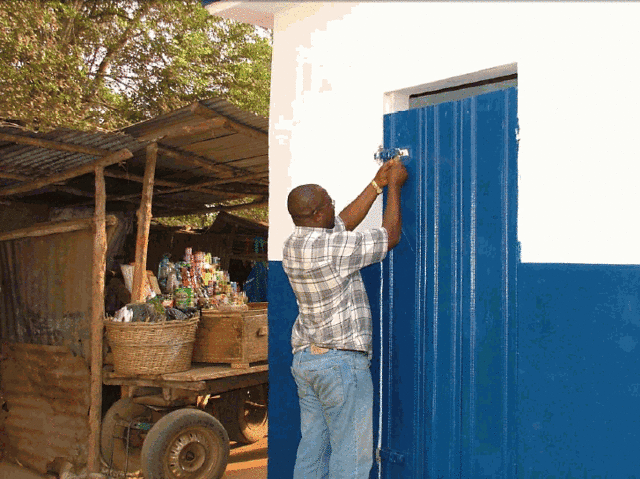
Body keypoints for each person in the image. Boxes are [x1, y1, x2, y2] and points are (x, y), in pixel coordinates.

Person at [283, 159, 408, 479]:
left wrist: (374, 186)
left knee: (312, 449)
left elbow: (339, 223)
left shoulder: (294, 244)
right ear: (316, 214)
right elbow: (389, 236)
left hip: (307, 361)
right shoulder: (333, 248)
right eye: (329, 203)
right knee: (351, 458)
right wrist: (394, 186)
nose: (334, 206)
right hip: (340, 365)